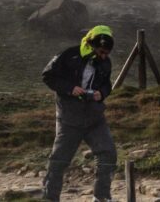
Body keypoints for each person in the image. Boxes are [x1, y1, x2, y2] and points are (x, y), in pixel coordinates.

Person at [41, 25, 116, 202]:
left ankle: (102, 197)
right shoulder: (69, 55)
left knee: (108, 154)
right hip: (69, 118)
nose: (104, 56)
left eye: (107, 53)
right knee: (59, 161)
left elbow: (107, 84)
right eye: (101, 52)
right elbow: (48, 76)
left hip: (95, 118)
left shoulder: (106, 62)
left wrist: (102, 93)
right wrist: (69, 88)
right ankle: (50, 199)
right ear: (91, 45)